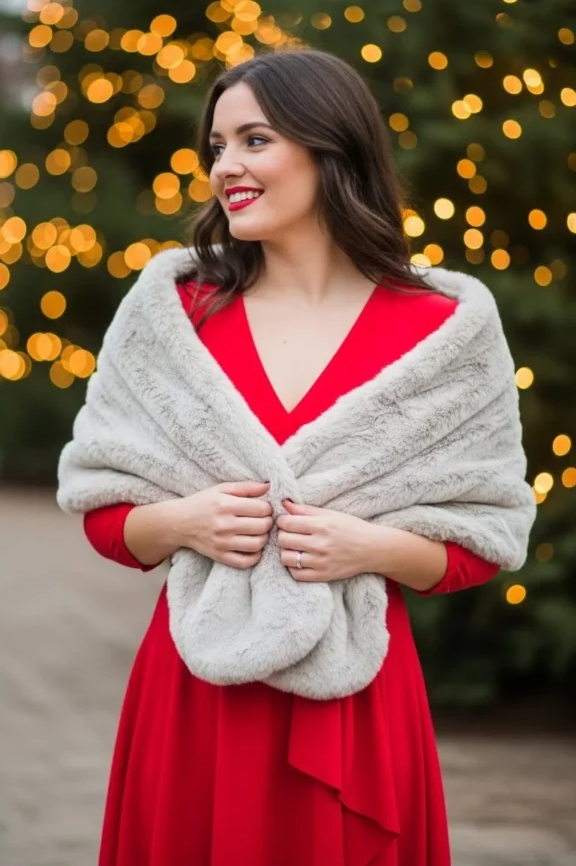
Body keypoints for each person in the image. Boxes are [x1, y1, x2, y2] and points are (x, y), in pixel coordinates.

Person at [83, 49, 500, 866]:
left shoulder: (443, 330)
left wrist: (372, 548)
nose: (225, 167)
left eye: (254, 140)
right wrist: (182, 523)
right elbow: (103, 515)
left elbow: (481, 540)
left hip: (356, 697)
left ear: (328, 146)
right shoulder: (175, 314)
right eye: (216, 147)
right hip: (197, 689)